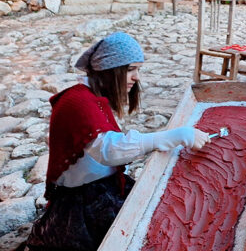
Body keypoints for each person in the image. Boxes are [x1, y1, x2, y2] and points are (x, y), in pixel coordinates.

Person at [26, 32, 209, 251]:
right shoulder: (78, 102)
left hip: (100, 186)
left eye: (138, 70)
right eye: (130, 69)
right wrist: (171, 137)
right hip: (83, 199)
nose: (136, 77)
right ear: (109, 69)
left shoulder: (89, 97)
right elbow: (109, 150)